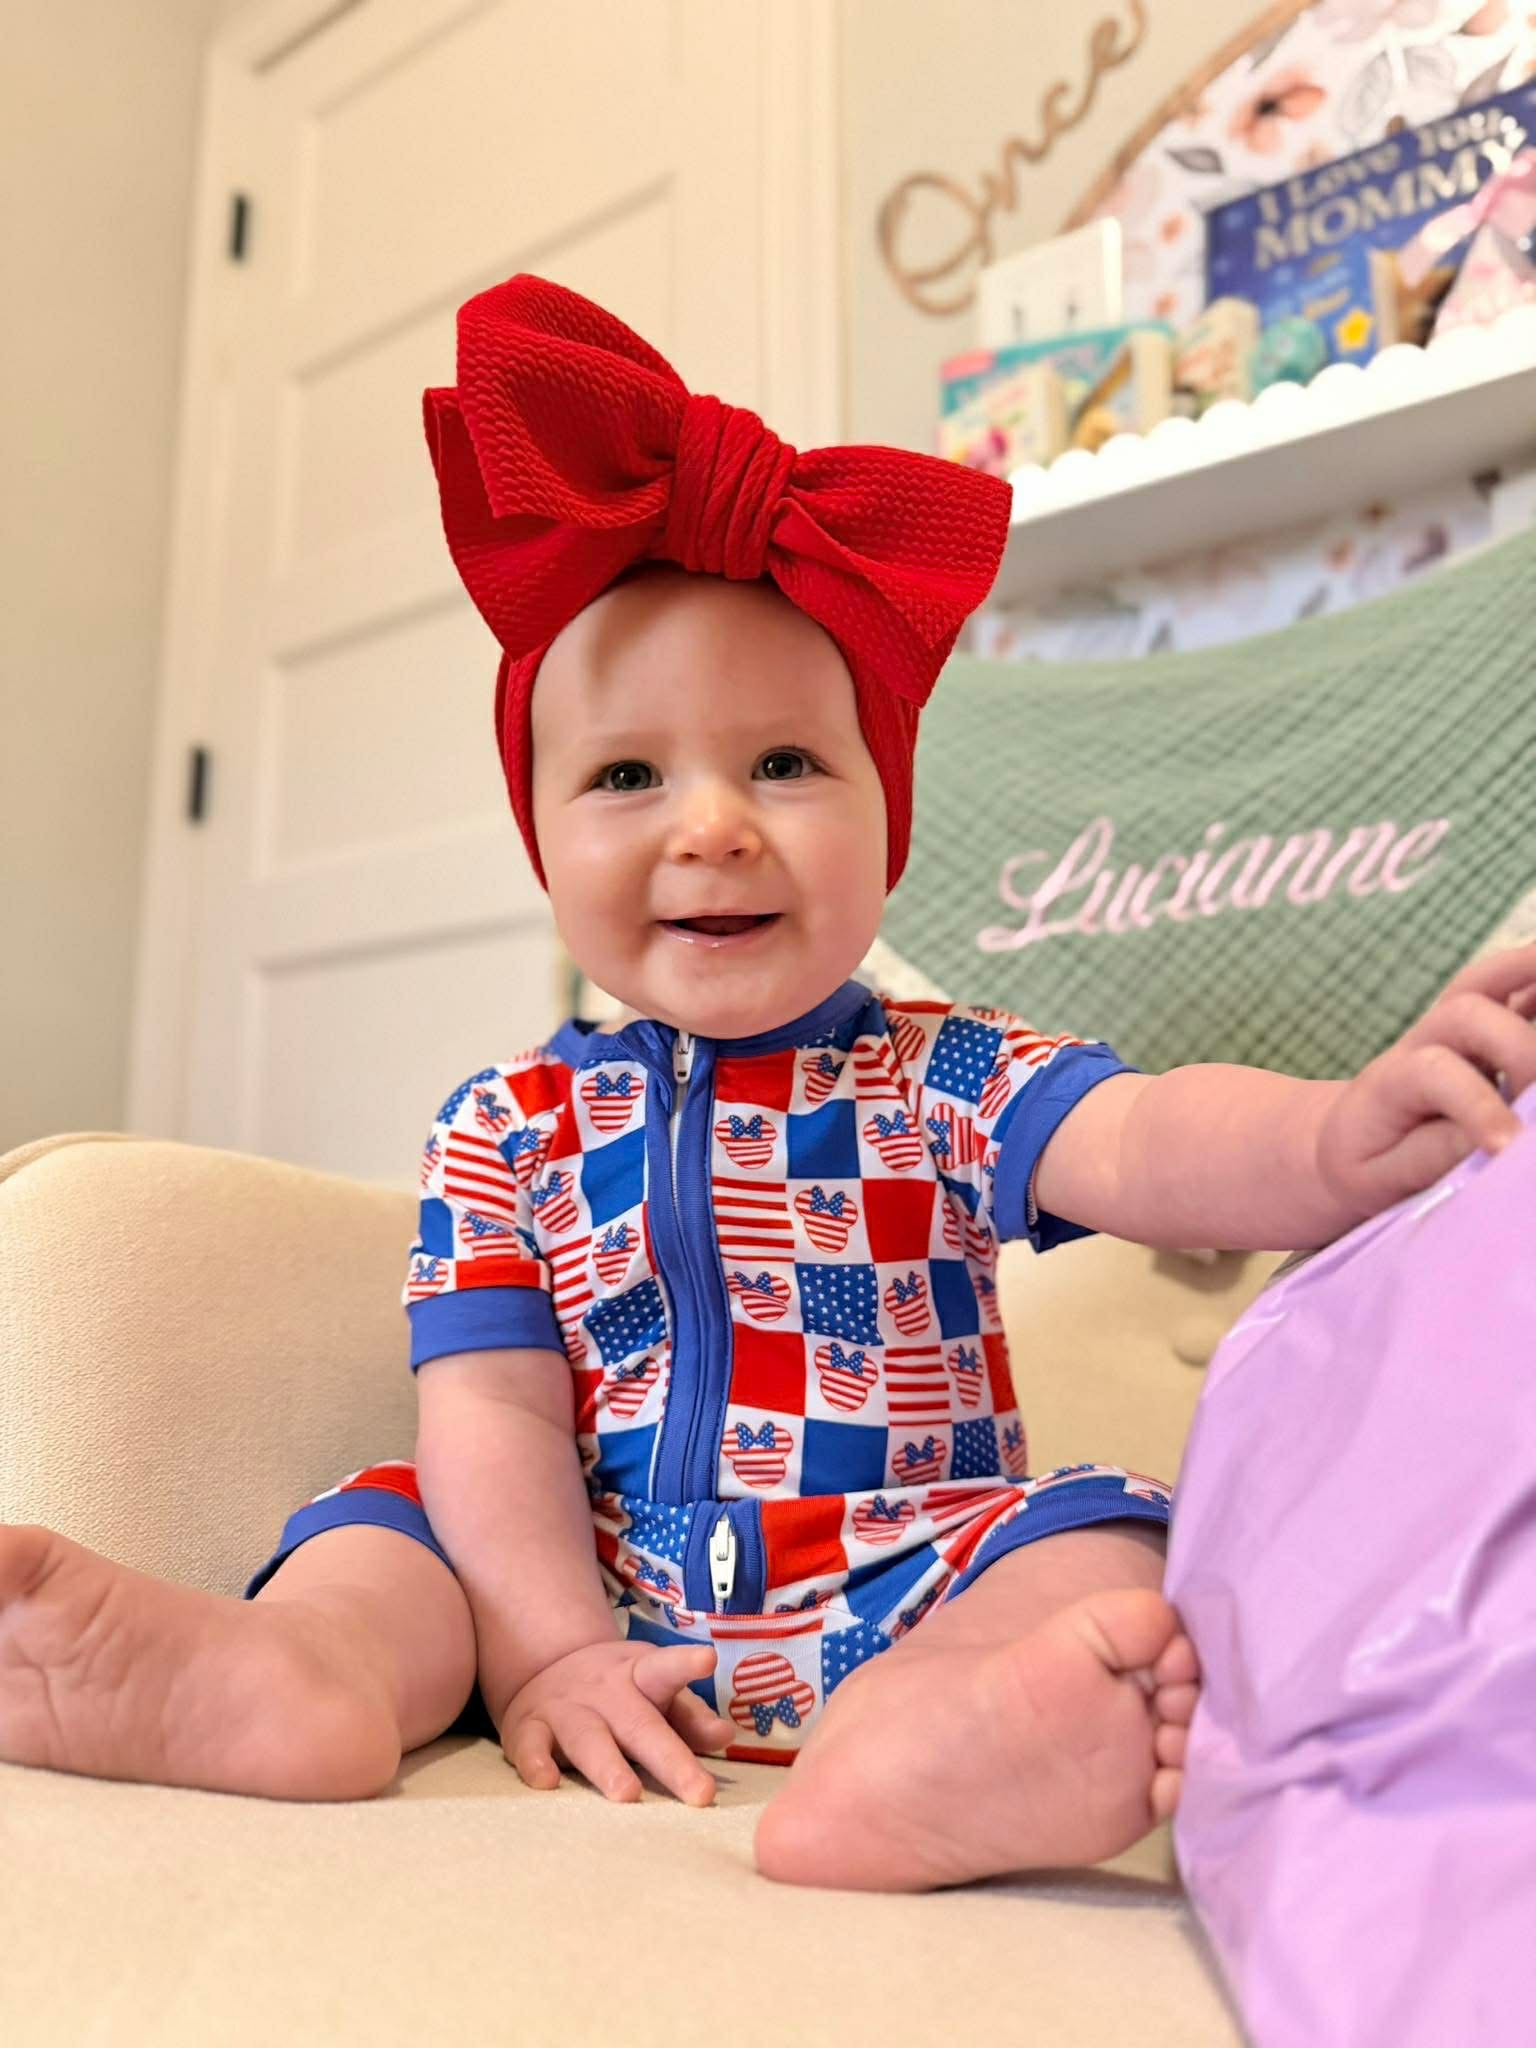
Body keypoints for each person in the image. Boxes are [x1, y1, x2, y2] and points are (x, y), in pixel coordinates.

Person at [2, 276, 1532, 1898]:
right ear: (545, 840)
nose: (715, 824)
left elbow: (1149, 1138)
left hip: (899, 1563)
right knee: (392, 1528)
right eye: (627, 775)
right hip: (589, 1584)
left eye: (788, 763)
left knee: (1104, 1543)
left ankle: (925, 1754)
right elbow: (496, 1410)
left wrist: (1342, 1131)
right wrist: (550, 1654)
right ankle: (291, 1682)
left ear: (889, 819)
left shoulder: (944, 1068)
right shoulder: (506, 1130)